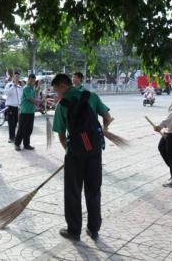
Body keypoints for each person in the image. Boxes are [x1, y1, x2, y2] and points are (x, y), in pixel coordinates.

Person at [52, 73, 112, 242]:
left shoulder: (62, 104)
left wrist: (70, 151)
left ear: (63, 86)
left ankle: (74, 230)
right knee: (93, 190)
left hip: (75, 155)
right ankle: (94, 229)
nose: (57, 94)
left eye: (57, 90)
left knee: (73, 192)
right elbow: (106, 117)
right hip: (94, 152)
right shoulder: (91, 96)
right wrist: (103, 131)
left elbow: (62, 136)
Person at [14, 74, 37, 151]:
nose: (32, 82)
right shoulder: (26, 88)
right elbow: (30, 99)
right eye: (30, 80)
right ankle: (17, 144)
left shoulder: (33, 88)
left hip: (31, 112)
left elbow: (35, 98)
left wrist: (39, 100)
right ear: (28, 79)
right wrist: (39, 102)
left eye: (33, 81)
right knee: (21, 129)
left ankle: (26, 144)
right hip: (24, 112)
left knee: (29, 129)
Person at [4, 71, 23, 143]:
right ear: (13, 77)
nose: (17, 78)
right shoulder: (9, 85)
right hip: (10, 107)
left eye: (18, 77)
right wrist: (13, 86)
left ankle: (13, 136)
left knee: (15, 123)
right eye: (16, 77)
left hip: (17, 108)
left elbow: (21, 97)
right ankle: (11, 137)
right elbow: (6, 93)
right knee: (11, 123)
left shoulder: (20, 87)